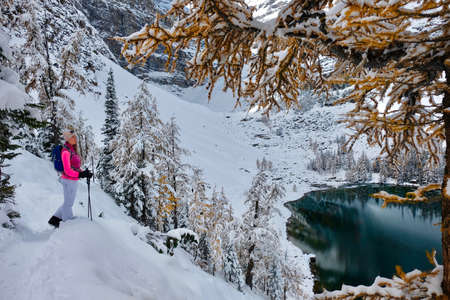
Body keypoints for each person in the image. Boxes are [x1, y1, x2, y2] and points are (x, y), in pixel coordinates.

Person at [48, 130, 92, 228]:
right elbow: (67, 170)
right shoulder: (65, 151)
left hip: (72, 180)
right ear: (68, 139)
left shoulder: (72, 150)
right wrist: (80, 175)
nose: (75, 138)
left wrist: (84, 173)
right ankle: (67, 225)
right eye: (72, 137)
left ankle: (55, 219)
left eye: (75, 136)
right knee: (69, 203)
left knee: (68, 202)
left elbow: (75, 166)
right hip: (68, 180)